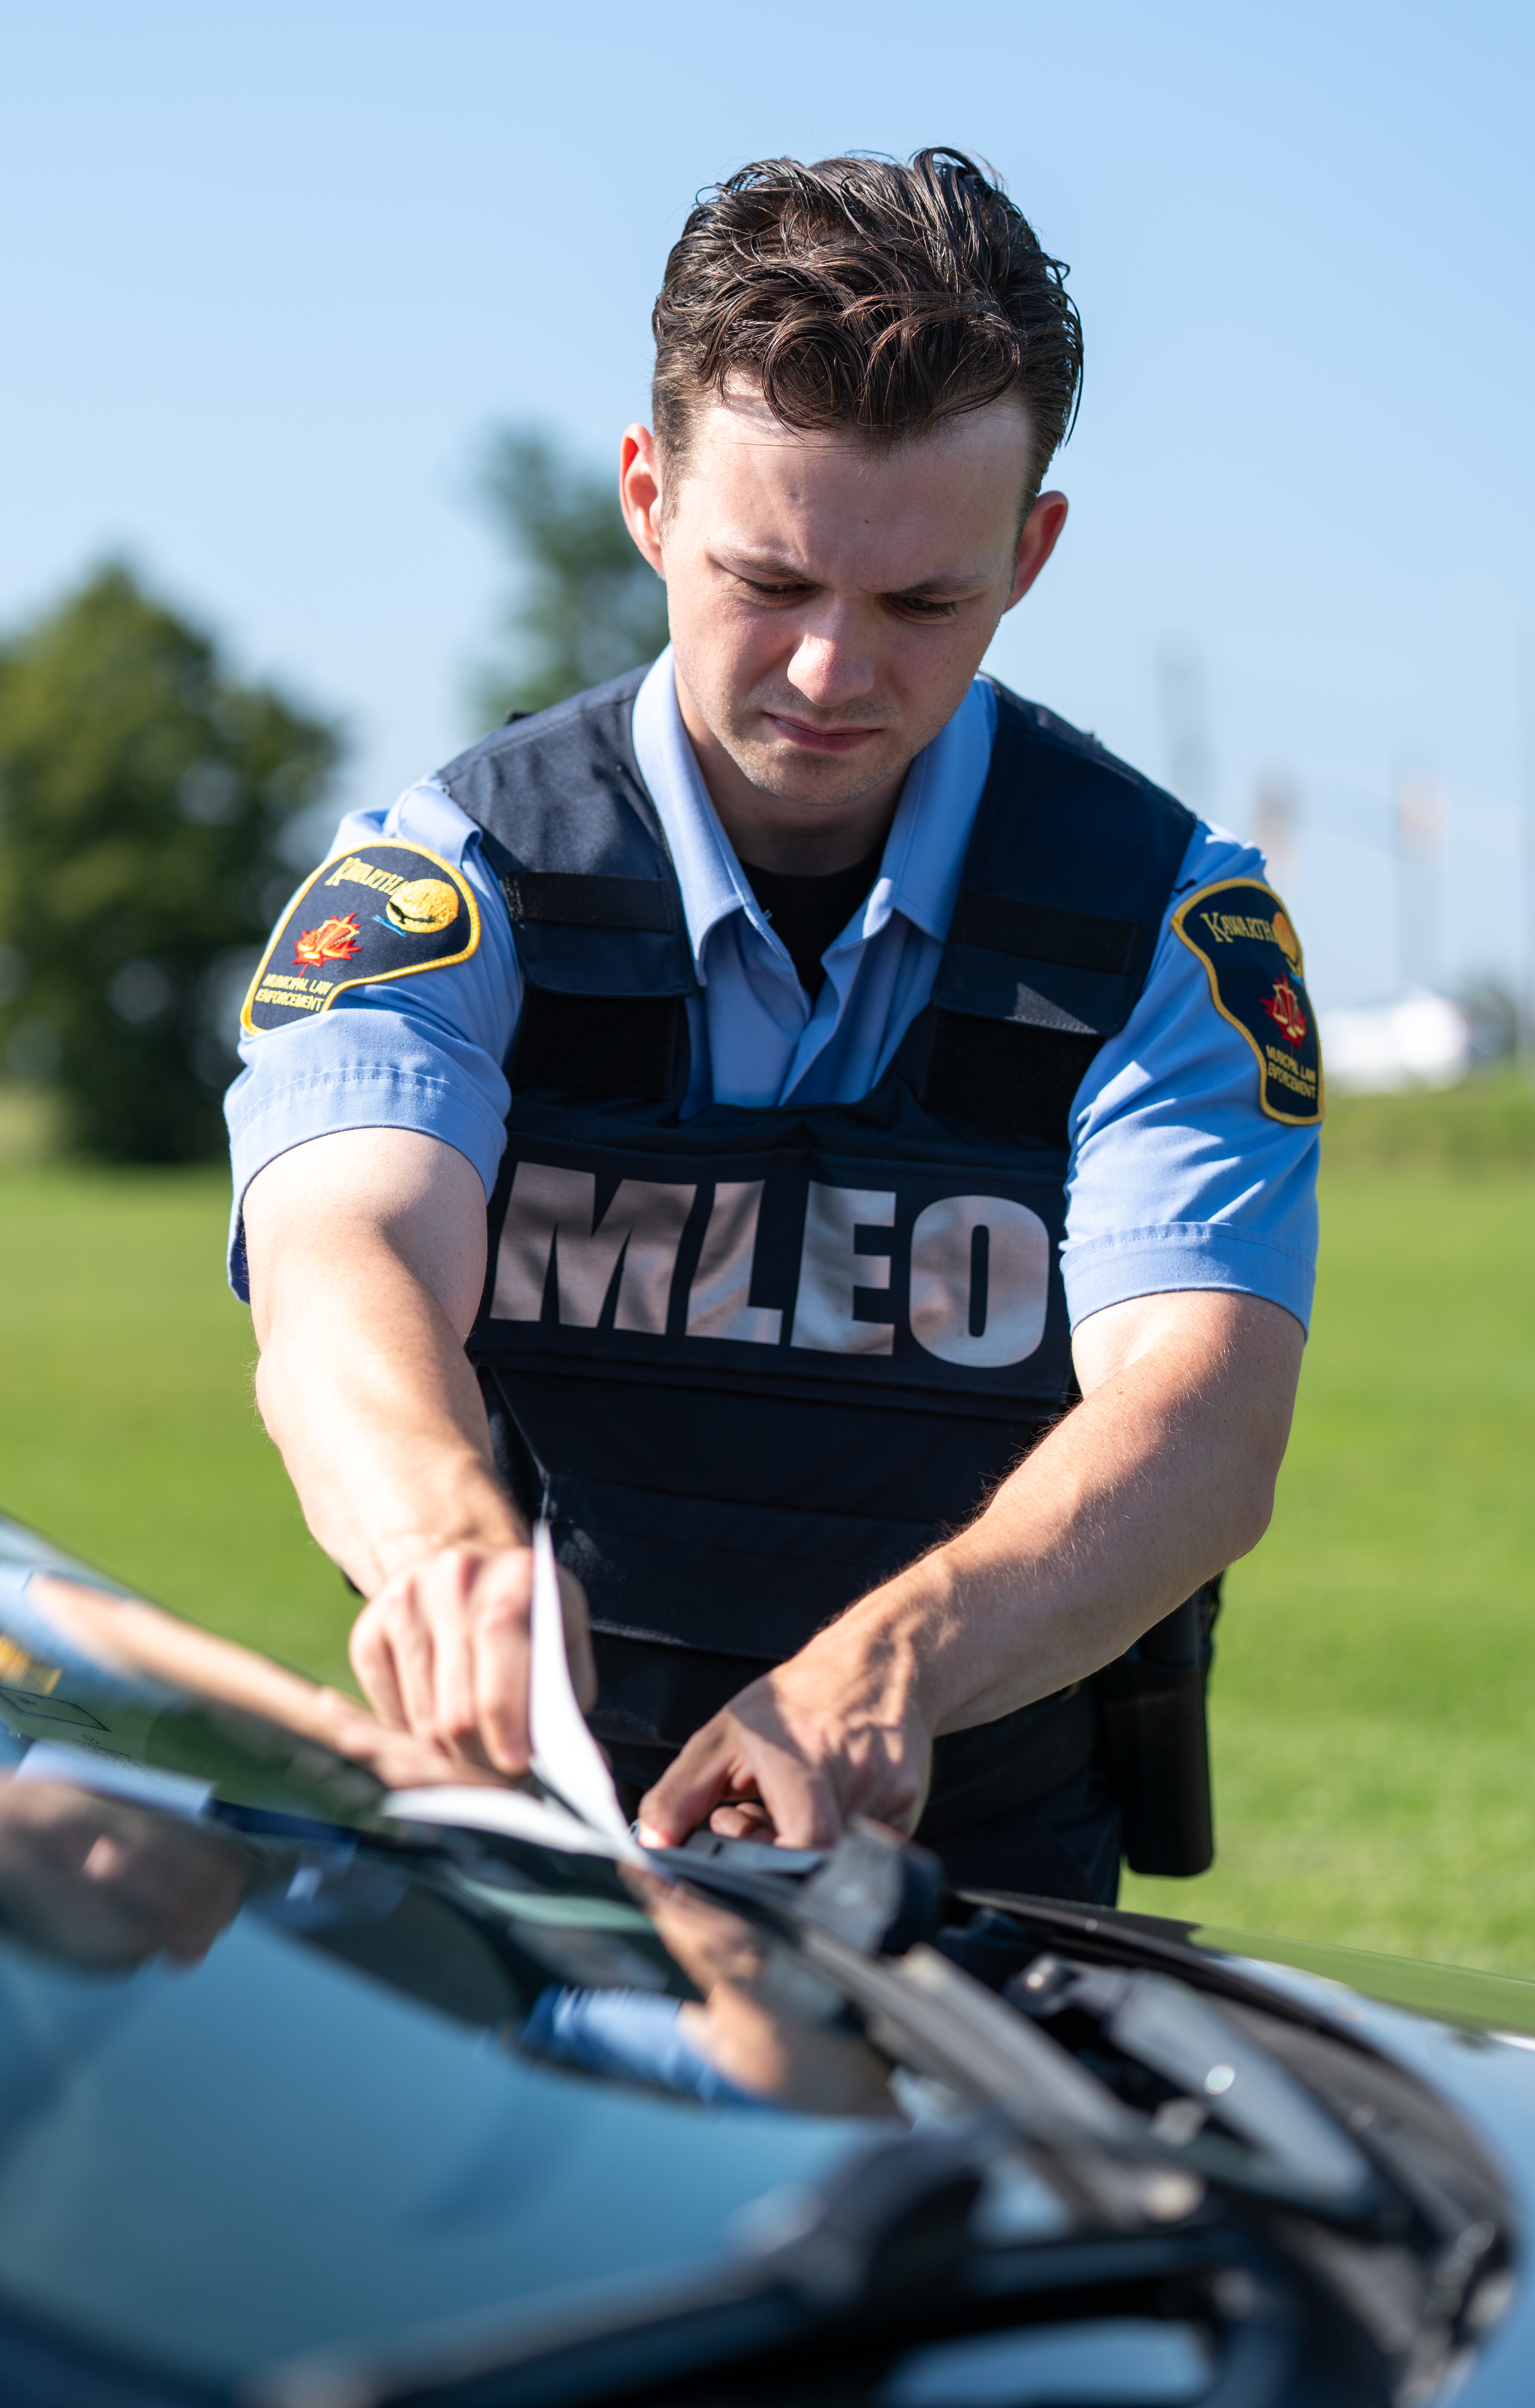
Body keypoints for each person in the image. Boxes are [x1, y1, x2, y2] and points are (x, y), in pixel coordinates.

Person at [226, 149, 1320, 1904]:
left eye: (918, 605)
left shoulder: (1161, 930)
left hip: (977, 1898)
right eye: (769, 582)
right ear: (648, 500)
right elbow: (338, 1246)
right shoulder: (454, 876)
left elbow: (1197, 1424)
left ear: (1029, 553)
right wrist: (437, 1540)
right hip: (526, 1856)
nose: (827, 673)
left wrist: (887, 1665)